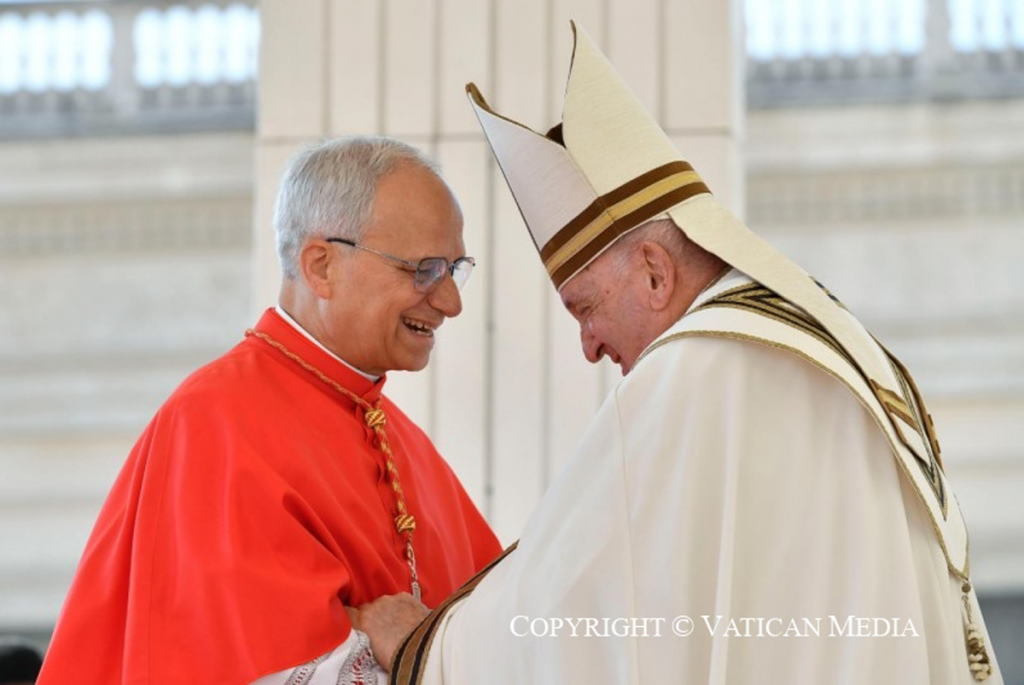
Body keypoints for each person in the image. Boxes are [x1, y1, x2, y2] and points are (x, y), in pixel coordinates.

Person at [350, 24, 1002, 684]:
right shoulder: (831, 349)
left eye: (585, 307)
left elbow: (579, 595)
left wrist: (425, 646)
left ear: (657, 274)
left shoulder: (700, 371)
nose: (589, 345)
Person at [38, 137, 502, 684]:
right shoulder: (217, 427)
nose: (451, 302)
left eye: (454, 269)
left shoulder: (404, 442)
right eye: (425, 270)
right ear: (321, 266)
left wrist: (418, 644)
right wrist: (419, 652)